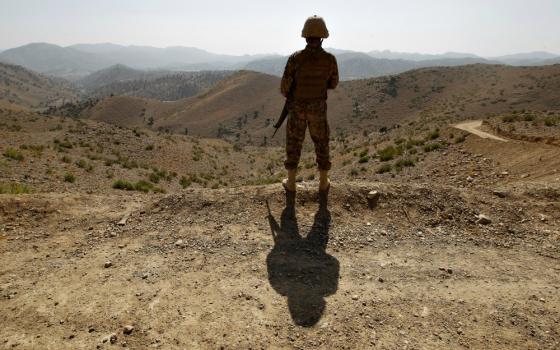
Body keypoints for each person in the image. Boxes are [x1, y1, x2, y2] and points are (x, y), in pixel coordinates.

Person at [280, 15, 339, 197]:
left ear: (305, 36)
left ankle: (291, 183)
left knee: (294, 143)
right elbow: (333, 83)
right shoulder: (330, 59)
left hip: (297, 108)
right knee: (321, 143)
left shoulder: (295, 59)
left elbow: (284, 88)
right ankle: (323, 182)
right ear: (322, 37)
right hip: (318, 109)